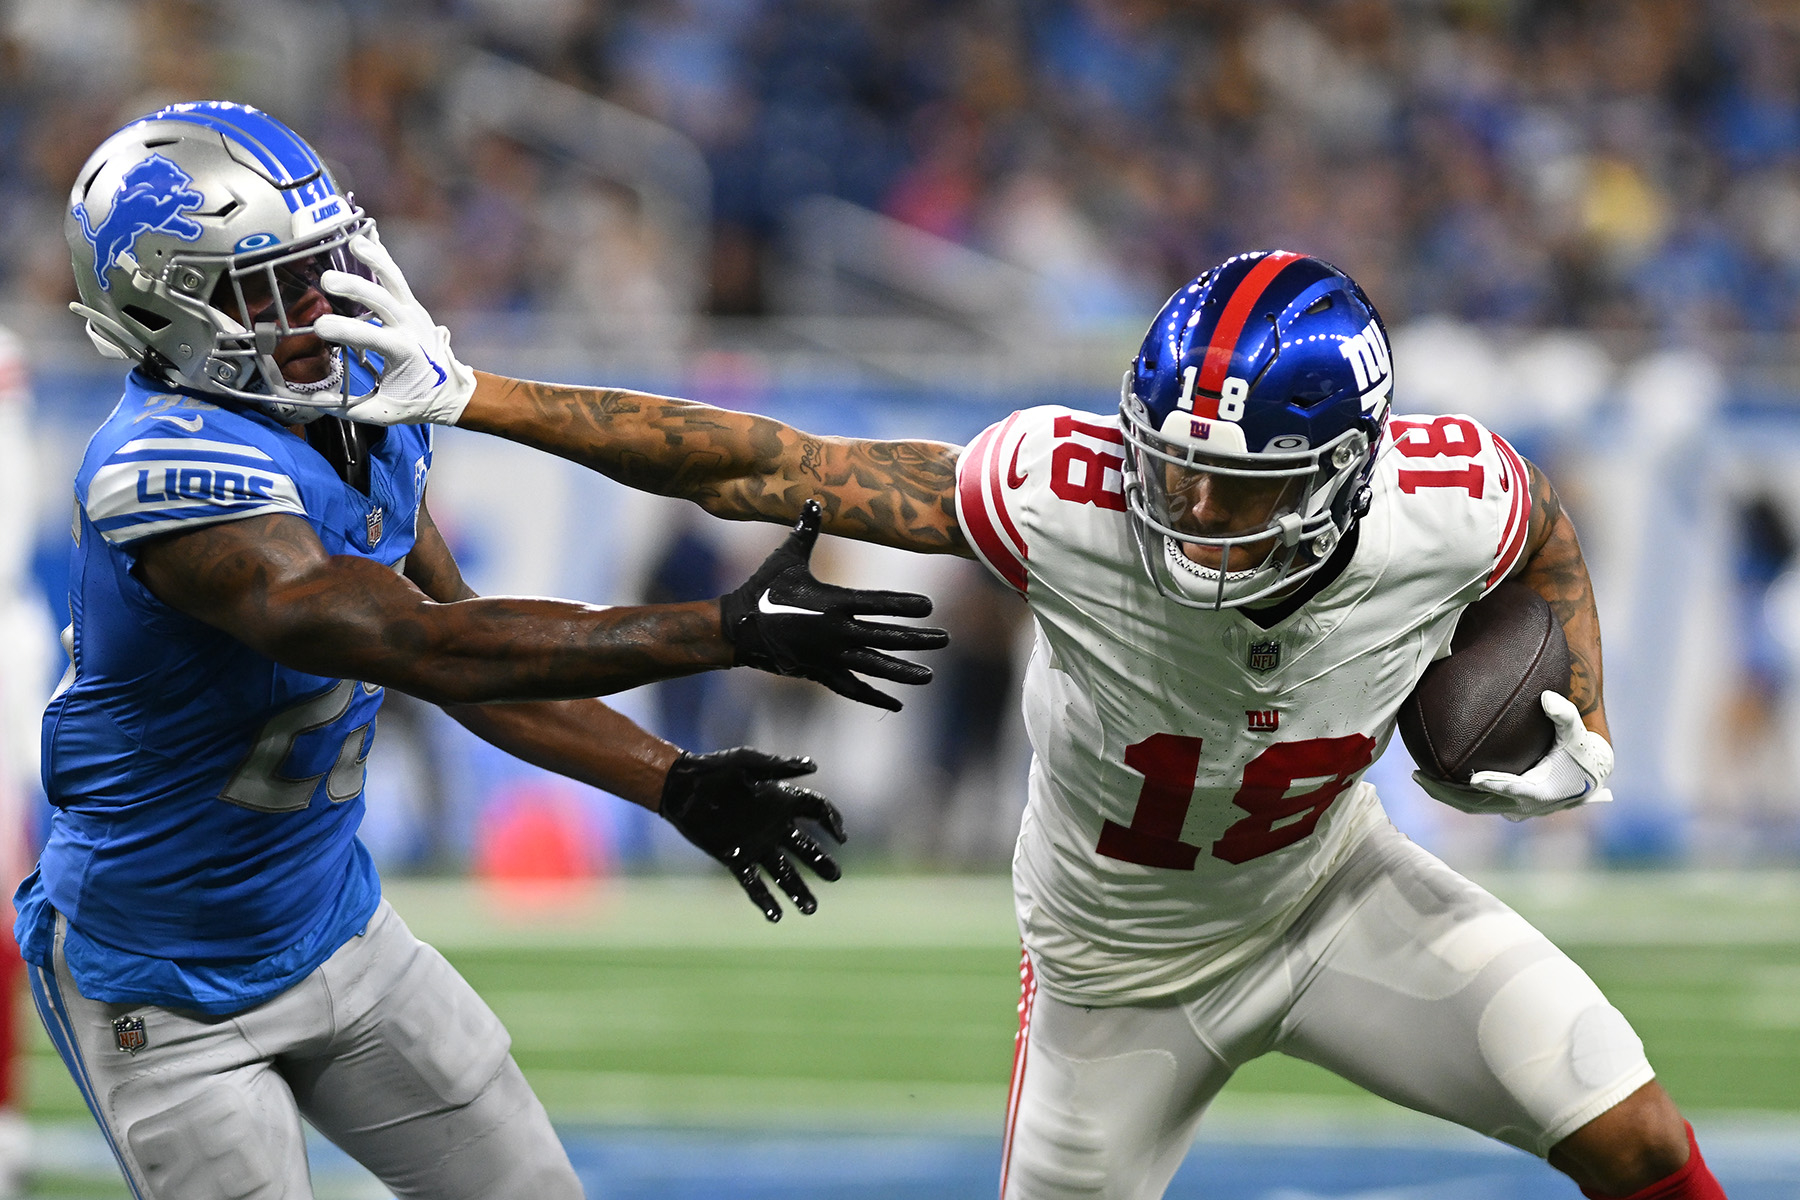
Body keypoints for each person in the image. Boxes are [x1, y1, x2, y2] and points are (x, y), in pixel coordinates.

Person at [333, 248, 1731, 1200]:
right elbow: (766, 466)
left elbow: (1539, 523)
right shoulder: (1059, 495)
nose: (1188, 512)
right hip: (1113, 981)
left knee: (1637, 1134)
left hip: (1338, 899)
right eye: (1173, 471)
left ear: (1343, 479)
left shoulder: (1449, 497)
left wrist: (1583, 703)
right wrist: (473, 395)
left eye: (1236, 492)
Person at [28, 100, 948, 1200]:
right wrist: (721, 631)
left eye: (318, 265)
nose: (319, 304)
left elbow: (474, 650)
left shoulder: (366, 408)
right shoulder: (163, 475)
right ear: (162, 310)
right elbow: (430, 648)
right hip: (162, 985)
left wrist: (675, 782)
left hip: (336, 927)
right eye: (270, 286)